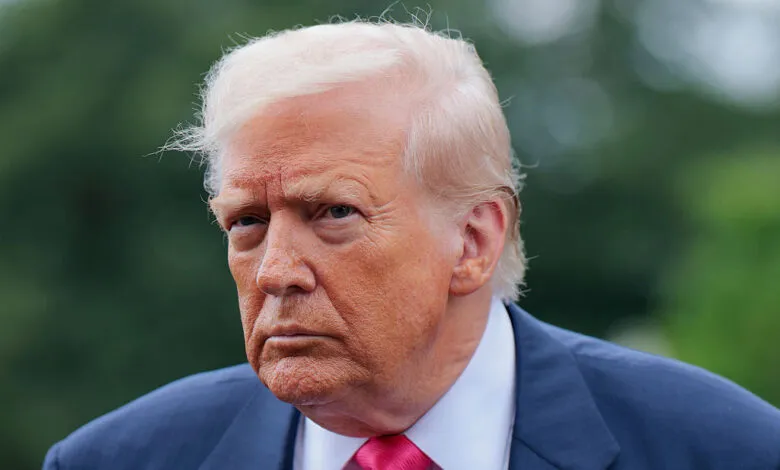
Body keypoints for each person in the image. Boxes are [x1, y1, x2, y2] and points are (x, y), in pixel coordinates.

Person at [43, 20, 780, 470]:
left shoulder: (724, 451)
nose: (275, 272)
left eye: (332, 212)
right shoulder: (118, 460)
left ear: (474, 238)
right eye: (247, 223)